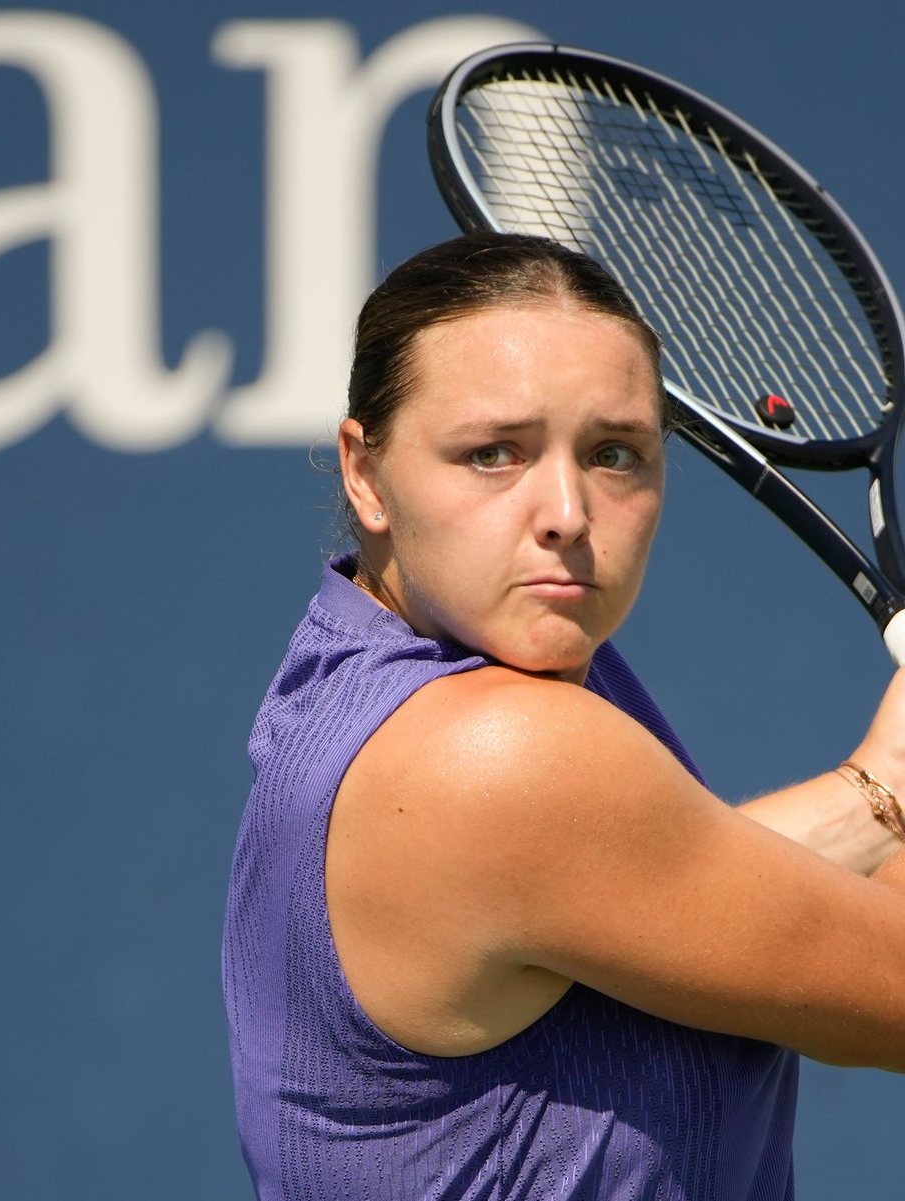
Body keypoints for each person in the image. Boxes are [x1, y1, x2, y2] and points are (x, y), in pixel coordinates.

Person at [222, 231, 905, 1200]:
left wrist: (883, 786)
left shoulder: (371, 665)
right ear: (364, 473)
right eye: (493, 453)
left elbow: (664, 882)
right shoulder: (502, 755)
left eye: (614, 454)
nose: (568, 513)